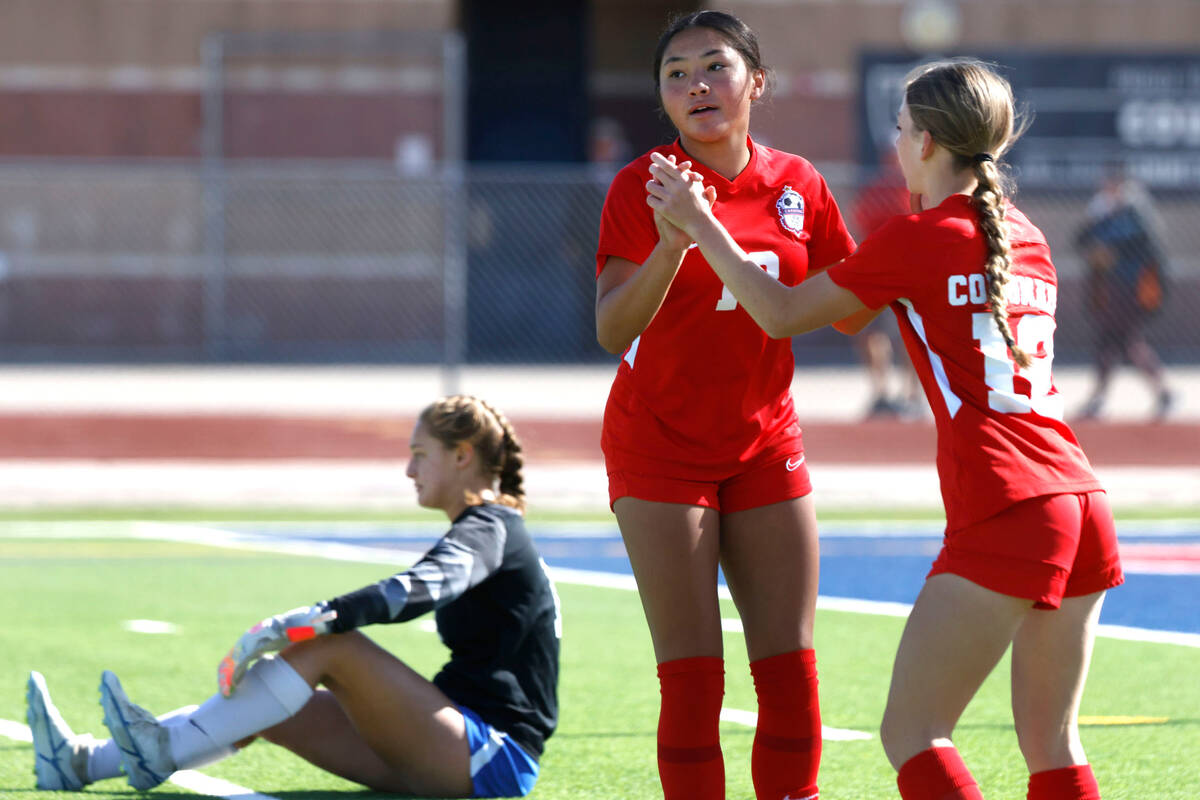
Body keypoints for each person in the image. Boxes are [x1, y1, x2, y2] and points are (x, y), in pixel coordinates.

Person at [647, 59, 1122, 800]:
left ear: (928, 141)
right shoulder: (1024, 234)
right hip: (1083, 499)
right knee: (1052, 744)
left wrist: (700, 223)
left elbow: (779, 314)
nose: (896, 145)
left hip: (1011, 501)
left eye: (901, 131)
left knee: (912, 733)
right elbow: (862, 306)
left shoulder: (919, 236)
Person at [594, 10, 868, 800]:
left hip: (764, 439)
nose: (696, 85)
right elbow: (613, 327)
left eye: (714, 66)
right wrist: (675, 243)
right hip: (660, 443)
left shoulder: (800, 184)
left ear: (757, 81)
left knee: (789, 667)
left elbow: (850, 306)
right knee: (693, 679)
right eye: (675, 74)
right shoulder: (643, 184)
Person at [26, 395, 560, 798]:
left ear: (463, 455)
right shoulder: (486, 528)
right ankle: (78, 763)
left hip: (493, 759)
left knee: (334, 646)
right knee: (274, 707)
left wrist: (314, 619)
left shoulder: (490, 527)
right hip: (449, 743)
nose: (409, 469)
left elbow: (423, 587)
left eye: (421, 454)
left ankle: (160, 752)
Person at [1074, 163, 1174, 420]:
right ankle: (1103, 397)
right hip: (1109, 288)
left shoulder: (1135, 211)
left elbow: (1144, 243)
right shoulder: (1102, 212)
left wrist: (1112, 249)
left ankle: (1160, 392)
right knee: (1112, 341)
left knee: (1123, 341)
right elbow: (1080, 240)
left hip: (1132, 287)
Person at [850, 149, 923, 419]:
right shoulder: (881, 186)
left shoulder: (915, 188)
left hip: (906, 270)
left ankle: (911, 393)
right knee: (874, 332)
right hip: (879, 270)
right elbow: (860, 220)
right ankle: (882, 393)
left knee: (910, 332)